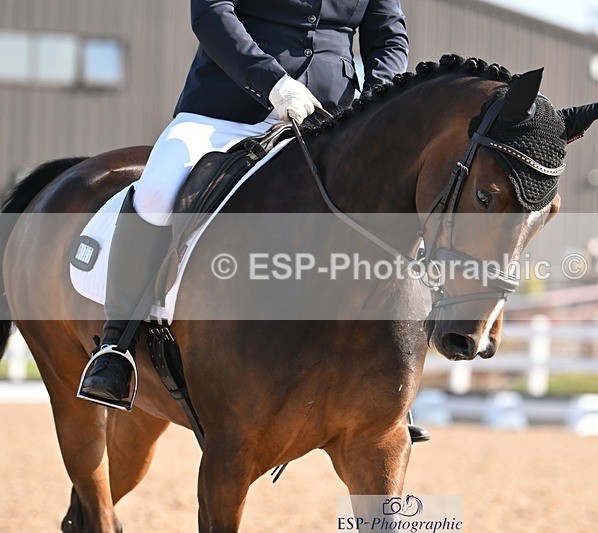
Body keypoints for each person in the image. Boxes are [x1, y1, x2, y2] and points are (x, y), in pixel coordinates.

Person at [79, 1, 410, 404]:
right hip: (227, 107)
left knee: (389, 204)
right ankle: (117, 346)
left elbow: (389, 37)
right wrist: (272, 82)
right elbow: (212, 14)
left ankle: (384, 374)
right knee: (156, 191)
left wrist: (372, 106)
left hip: (330, 117)